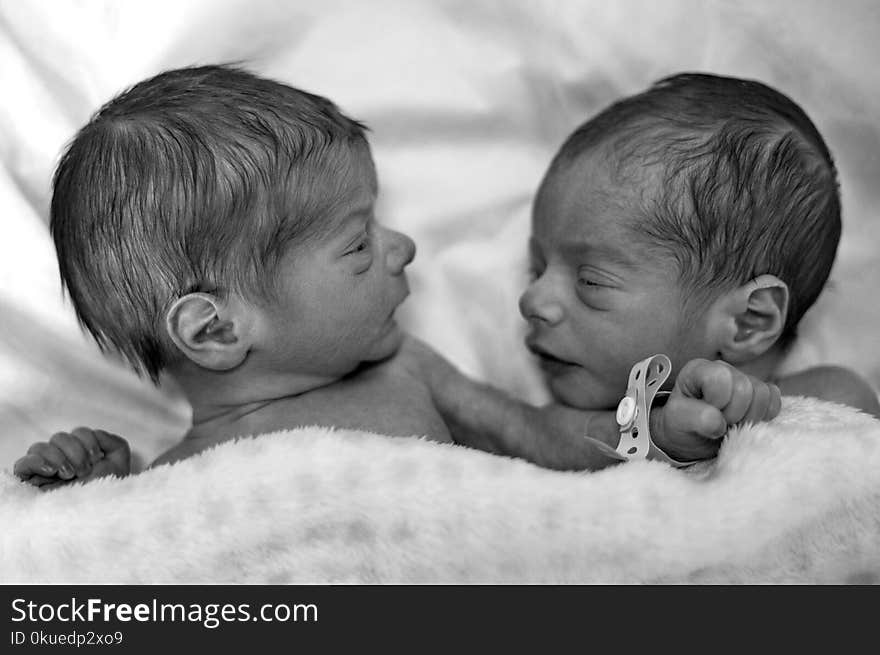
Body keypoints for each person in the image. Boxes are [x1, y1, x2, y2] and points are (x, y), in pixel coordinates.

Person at [13, 66, 786, 489]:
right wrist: (103, 490)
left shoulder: (407, 371)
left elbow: (541, 439)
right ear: (216, 329)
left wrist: (653, 434)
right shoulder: (177, 479)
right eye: (357, 244)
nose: (403, 246)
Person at [418, 72, 880, 469]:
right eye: (535, 268)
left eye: (591, 282)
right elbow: (531, 433)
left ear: (747, 322)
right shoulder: (562, 415)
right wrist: (655, 433)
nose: (532, 301)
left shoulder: (830, 400)